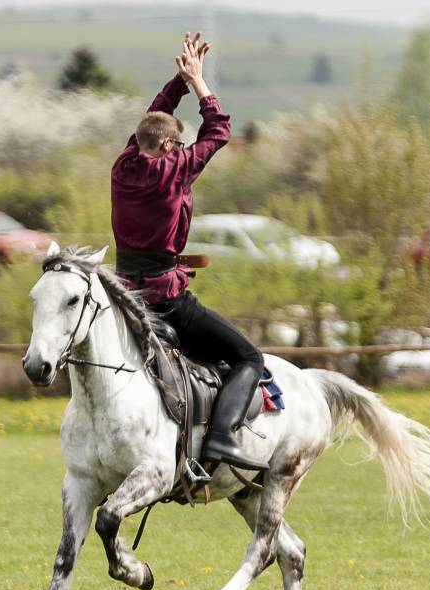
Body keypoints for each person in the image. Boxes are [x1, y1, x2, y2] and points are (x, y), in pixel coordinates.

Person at [110, 32, 269, 473]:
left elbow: (152, 119)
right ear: (166, 147)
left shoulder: (123, 165)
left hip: (125, 293)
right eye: (177, 143)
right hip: (165, 298)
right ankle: (220, 438)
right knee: (249, 358)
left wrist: (179, 80)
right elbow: (219, 129)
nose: (181, 148)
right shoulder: (171, 170)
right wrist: (199, 83)